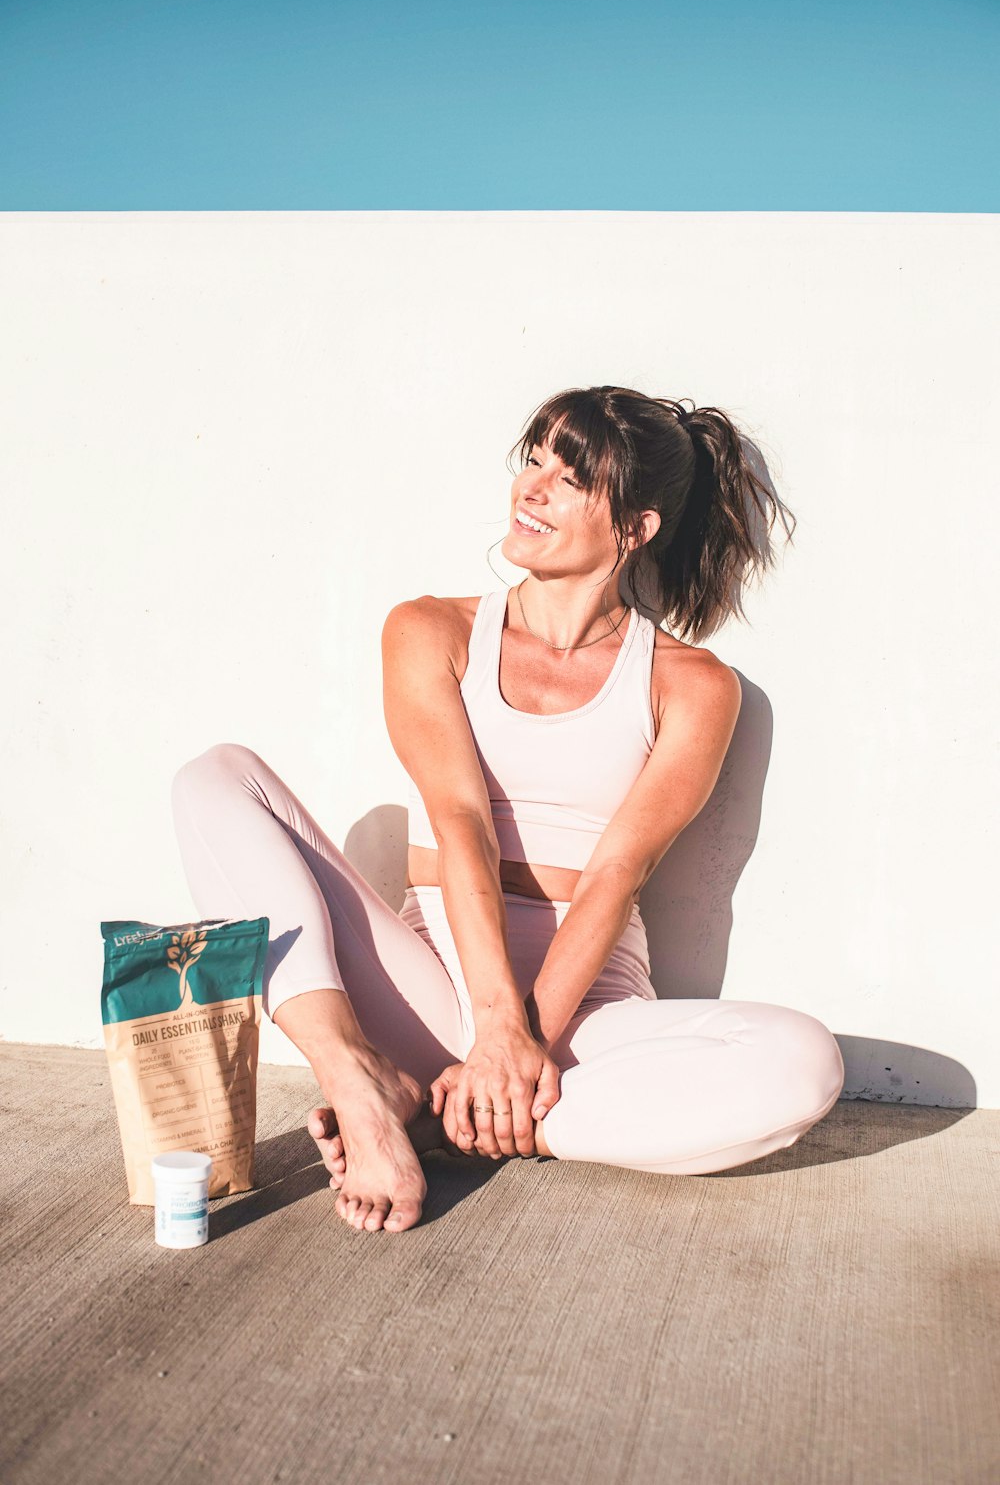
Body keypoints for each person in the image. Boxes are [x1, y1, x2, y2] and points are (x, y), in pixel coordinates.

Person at [171, 385, 845, 1235]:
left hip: (584, 1021)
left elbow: (617, 871)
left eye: (570, 477)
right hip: (430, 997)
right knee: (215, 779)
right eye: (534, 459)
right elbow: (461, 819)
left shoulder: (695, 684)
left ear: (635, 528)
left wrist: (520, 1051)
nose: (532, 487)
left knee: (803, 1063)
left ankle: (462, 1118)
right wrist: (491, 1030)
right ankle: (361, 1080)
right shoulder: (431, 629)